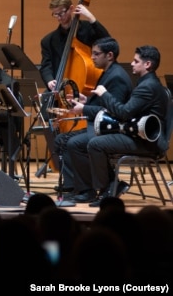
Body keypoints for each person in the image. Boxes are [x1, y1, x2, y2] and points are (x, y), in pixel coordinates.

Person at [70, 45, 169, 207]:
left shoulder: (147, 87)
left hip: (146, 142)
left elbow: (123, 113)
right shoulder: (147, 83)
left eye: (136, 61)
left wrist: (104, 94)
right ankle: (102, 188)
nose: (131, 63)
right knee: (82, 142)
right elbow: (126, 110)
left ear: (147, 65)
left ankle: (107, 191)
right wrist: (87, 102)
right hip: (137, 135)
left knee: (95, 143)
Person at [50, 37, 133, 198]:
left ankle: (90, 190)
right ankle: (75, 186)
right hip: (99, 126)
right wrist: (85, 100)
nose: (92, 57)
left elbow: (114, 111)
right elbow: (104, 103)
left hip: (112, 129)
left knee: (74, 143)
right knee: (61, 139)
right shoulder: (108, 73)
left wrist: (84, 108)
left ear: (109, 55)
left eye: (96, 54)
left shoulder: (117, 77)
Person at [39, 0, 111, 92]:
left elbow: (108, 41)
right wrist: (49, 80)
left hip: (85, 88)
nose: (59, 17)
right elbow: (46, 66)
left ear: (71, 8)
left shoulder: (88, 29)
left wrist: (91, 18)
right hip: (62, 90)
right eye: (55, 14)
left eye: (62, 13)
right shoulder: (48, 40)